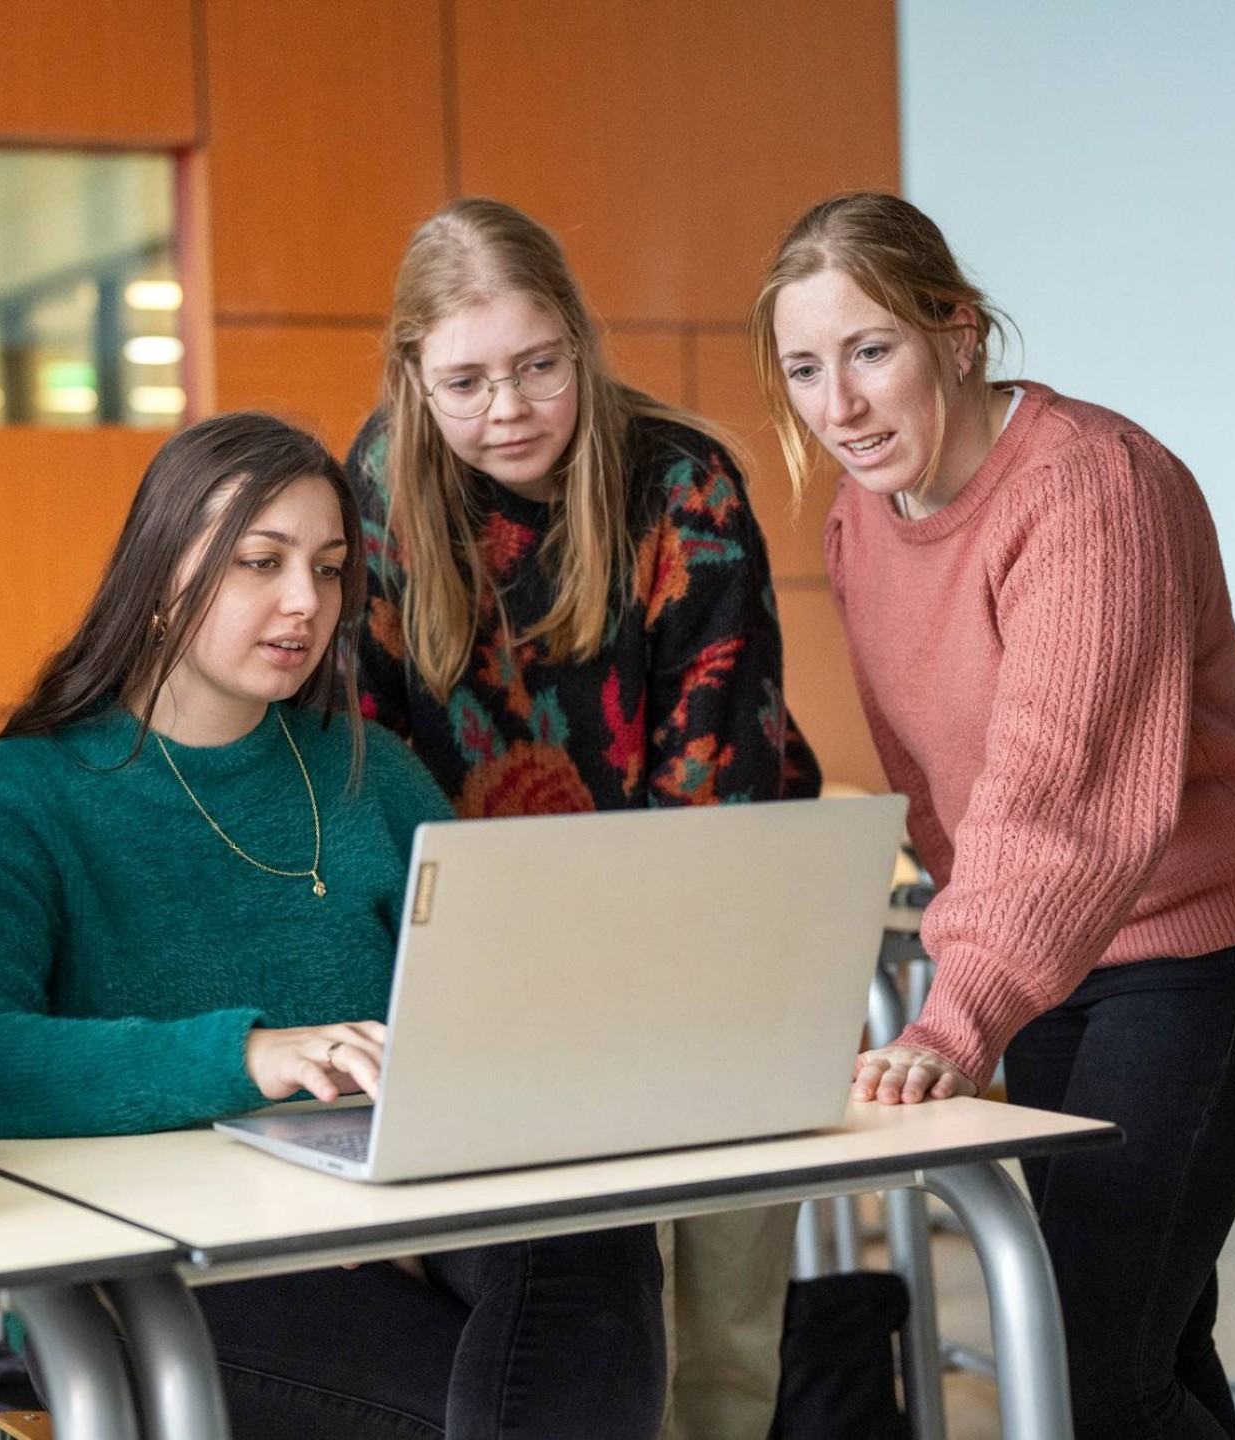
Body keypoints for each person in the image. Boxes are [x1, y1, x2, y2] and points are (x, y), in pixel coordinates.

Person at [0, 411, 667, 1440]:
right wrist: (246, 1056)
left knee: (592, 1251)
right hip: (159, 1264)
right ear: (162, 576)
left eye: (329, 566)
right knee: (542, 1400)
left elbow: (480, 1011)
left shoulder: (371, 773)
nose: (307, 602)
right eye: (261, 562)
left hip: (398, 1217)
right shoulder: (11, 796)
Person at [752, 190, 1235, 1440]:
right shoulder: (861, 519)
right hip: (1055, 964)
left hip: (1202, 953)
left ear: (957, 332)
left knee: (1080, 1358)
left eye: (869, 350)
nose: (836, 406)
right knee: (1140, 1343)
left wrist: (958, 1009)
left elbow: (1053, 789)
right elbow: (935, 784)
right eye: (803, 368)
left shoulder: (1086, 488)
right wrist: (989, 965)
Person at [344, 196, 812, 1439]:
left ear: (580, 345)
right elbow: (364, 754)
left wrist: (631, 969)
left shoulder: (680, 482)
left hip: (706, 924)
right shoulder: (378, 490)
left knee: (719, 1332)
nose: (507, 408)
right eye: (465, 380)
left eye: (538, 366)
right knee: (588, 1328)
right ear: (411, 376)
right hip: (488, 965)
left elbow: (715, 776)